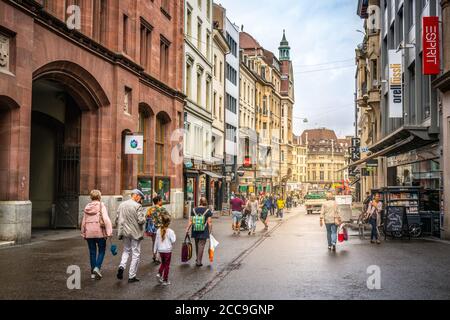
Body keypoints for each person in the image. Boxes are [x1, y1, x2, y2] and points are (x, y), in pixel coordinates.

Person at [81, 190, 113, 280]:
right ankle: (97, 268)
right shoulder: (101, 205)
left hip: (89, 233)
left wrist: (83, 233)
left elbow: (83, 221)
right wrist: (109, 232)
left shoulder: (87, 207)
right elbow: (106, 219)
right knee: (102, 250)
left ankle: (92, 273)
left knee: (92, 252)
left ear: (91, 197)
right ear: (99, 197)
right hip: (100, 233)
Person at [116, 189, 146, 283]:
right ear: (136, 195)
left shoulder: (122, 205)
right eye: (140, 197)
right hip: (135, 233)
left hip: (125, 232)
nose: (140, 199)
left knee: (126, 250)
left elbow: (117, 219)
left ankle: (121, 266)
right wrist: (144, 217)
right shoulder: (138, 206)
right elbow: (141, 220)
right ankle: (131, 276)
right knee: (136, 254)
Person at [186, 197, 213, 267]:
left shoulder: (193, 210)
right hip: (204, 230)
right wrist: (210, 231)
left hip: (195, 229)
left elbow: (191, 221)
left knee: (197, 244)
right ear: (206, 202)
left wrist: (187, 229)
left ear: (199, 202)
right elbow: (209, 222)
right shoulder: (208, 211)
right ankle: (199, 261)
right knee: (201, 245)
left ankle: (197, 258)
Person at [146, 195, 170, 265]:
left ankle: (154, 255)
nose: (162, 201)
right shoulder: (162, 209)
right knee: (160, 242)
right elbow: (168, 218)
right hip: (160, 229)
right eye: (161, 200)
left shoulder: (150, 209)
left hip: (152, 229)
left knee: (154, 242)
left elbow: (147, 218)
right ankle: (157, 258)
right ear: (158, 201)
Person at [154, 215, 176, 286]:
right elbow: (173, 240)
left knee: (163, 263)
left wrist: (155, 250)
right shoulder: (170, 231)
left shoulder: (158, 230)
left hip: (160, 250)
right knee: (167, 265)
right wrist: (174, 235)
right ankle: (165, 280)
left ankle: (159, 273)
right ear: (169, 222)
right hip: (167, 250)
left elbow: (156, 241)